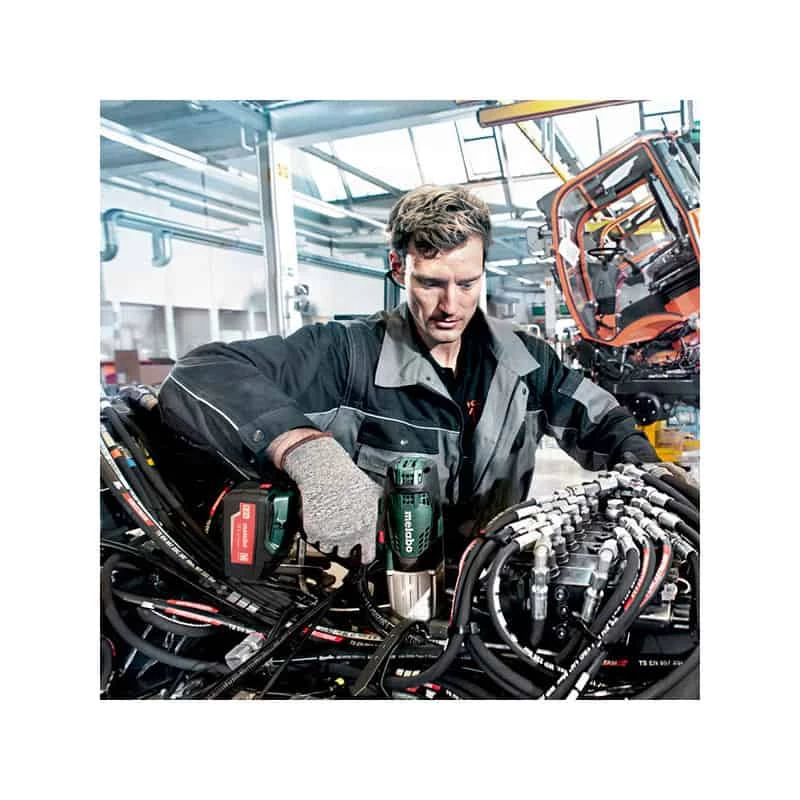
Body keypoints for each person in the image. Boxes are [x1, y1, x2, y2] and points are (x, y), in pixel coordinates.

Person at [157, 184, 659, 564]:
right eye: (431, 283)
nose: (450, 305)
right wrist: (311, 454)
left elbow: (602, 420)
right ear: (399, 268)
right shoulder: (346, 355)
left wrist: (649, 473)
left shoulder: (525, 360)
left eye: (468, 283)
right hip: (376, 606)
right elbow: (203, 370)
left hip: (488, 583)